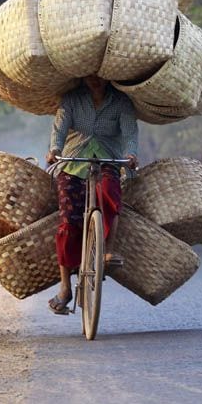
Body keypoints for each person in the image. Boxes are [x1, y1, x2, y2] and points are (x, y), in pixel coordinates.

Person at [45, 75, 138, 315]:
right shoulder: (71, 100)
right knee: (67, 220)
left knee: (109, 193)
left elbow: (129, 133)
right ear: (83, 77)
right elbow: (60, 129)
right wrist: (54, 150)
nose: (95, 81)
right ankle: (65, 287)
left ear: (108, 77)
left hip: (107, 158)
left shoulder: (121, 102)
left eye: (99, 77)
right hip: (73, 161)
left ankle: (108, 249)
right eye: (90, 77)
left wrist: (130, 153)